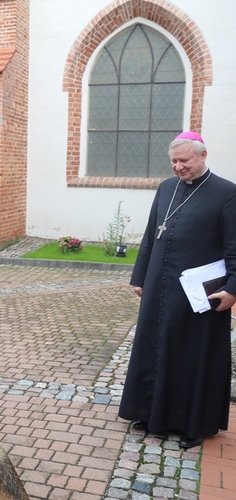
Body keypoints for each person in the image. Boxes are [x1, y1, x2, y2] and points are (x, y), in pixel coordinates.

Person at [119, 131, 236, 449]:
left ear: (203, 155)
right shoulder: (166, 188)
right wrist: (141, 276)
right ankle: (150, 413)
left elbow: (234, 247)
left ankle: (192, 424)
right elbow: (150, 235)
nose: (178, 167)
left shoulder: (226, 192)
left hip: (201, 294)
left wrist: (233, 290)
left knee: (191, 357)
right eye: (173, 161)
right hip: (159, 285)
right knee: (155, 349)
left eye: (184, 160)